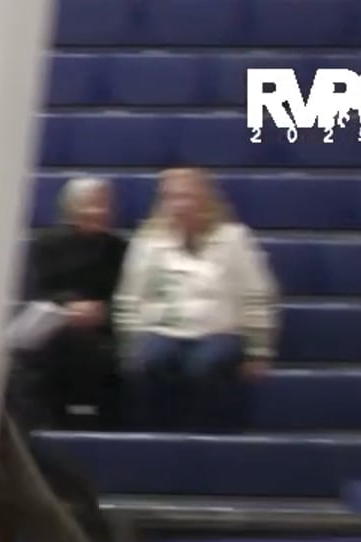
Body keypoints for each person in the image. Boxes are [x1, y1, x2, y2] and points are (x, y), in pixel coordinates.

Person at [114, 168, 279, 431]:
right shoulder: (147, 241)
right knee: (150, 361)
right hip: (162, 330)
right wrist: (129, 346)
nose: (179, 205)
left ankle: (208, 438)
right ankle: (159, 437)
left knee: (202, 367)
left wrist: (259, 349)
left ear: (206, 200)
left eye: (187, 197)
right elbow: (130, 298)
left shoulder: (234, 239)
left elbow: (256, 294)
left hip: (220, 331)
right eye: (172, 197)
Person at [9, 177, 128, 429]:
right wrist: (69, 305)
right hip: (52, 322)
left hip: (100, 328)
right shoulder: (46, 244)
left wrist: (101, 311)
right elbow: (36, 289)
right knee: (31, 357)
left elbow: (127, 296)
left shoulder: (119, 249)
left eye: (105, 205)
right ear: (71, 209)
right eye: (92, 205)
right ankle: (35, 428)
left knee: (92, 353)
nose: (100, 211)